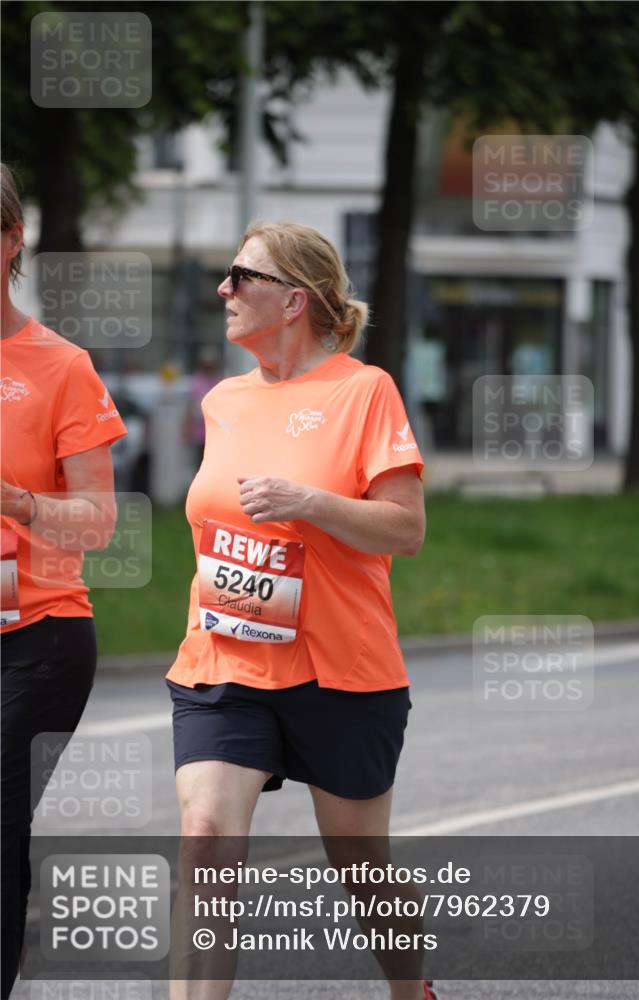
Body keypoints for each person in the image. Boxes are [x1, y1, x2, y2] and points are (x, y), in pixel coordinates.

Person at [166, 221, 438, 1000]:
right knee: (206, 843)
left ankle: (409, 989)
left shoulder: (363, 390)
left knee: (360, 866)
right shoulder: (224, 402)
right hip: (224, 660)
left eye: (240, 276)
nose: (223, 289)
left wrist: (308, 503)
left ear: (293, 300)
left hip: (339, 668)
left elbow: (406, 529)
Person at [0, 163, 127, 999]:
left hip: (35, 639)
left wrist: (16, 501)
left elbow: (97, 520)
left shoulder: (59, 366)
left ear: (11, 240)